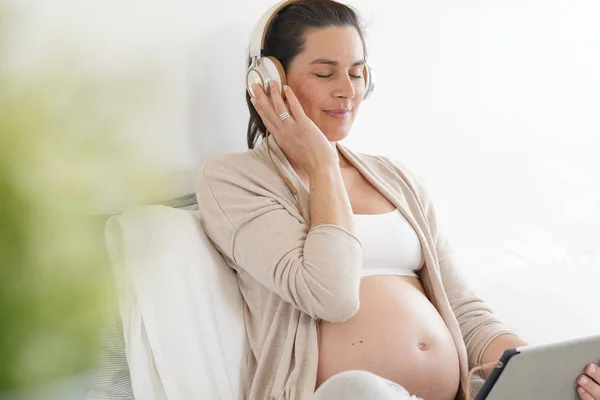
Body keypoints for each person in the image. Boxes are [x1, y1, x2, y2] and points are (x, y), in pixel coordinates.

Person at [194, 1, 600, 400]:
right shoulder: (234, 180)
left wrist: (543, 373)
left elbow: (464, 310)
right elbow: (330, 295)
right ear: (266, 81)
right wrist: (322, 165)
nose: (347, 91)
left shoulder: (396, 178)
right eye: (324, 73)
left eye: (357, 73)